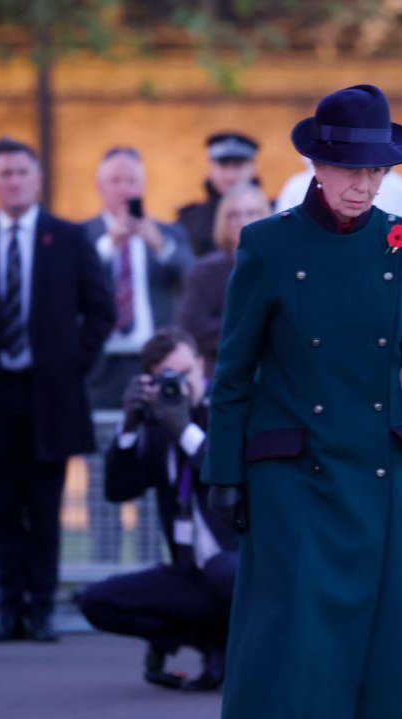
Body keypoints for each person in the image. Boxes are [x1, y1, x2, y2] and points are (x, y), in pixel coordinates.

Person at [203, 84, 402, 719]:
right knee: (299, 633)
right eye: (350, 169)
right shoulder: (268, 243)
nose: (363, 184)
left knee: (370, 631)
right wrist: (225, 470)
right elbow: (234, 369)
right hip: (293, 471)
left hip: (379, 468)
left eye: (376, 171)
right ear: (317, 165)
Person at [0, 137, 115, 644]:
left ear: (38, 179)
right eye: (5, 173)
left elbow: (101, 309)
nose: (14, 181)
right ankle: (9, 610)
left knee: (45, 509)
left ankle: (42, 610)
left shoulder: (67, 237)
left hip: (50, 395)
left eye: (23, 172)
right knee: (2, 507)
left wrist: (73, 365)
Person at [78, 329, 238, 691]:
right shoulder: (159, 424)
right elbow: (118, 490)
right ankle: (205, 641)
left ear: (201, 365)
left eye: (183, 374)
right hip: (191, 574)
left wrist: (182, 427)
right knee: (96, 601)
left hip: (240, 566)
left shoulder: (228, 411)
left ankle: (236, 650)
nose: (177, 386)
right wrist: (129, 428)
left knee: (226, 573)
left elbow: (223, 472)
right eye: (166, 378)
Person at [82, 146, 195, 563]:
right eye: (116, 180)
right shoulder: (84, 236)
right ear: (100, 187)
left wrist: (157, 243)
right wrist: (108, 247)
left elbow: (190, 275)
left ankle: (151, 564)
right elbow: (72, 287)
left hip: (154, 365)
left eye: (131, 181)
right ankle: (104, 566)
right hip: (103, 370)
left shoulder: (169, 233)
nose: (124, 189)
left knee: (155, 465)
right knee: (103, 472)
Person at [178, 183, 272, 371]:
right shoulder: (203, 272)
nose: (242, 221)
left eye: (252, 213)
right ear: (223, 221)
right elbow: (194, 326)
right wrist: (251, 330)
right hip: (221, 369)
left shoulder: (285, 266)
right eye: (233, 215)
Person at [177, 132, 259, 257]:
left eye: (238, 166)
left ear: (253, 168)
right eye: (223, 166)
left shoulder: (276, 212)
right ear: (210, 167)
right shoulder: (190, 219)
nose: (230, 175)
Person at [275, 156, 402, 221]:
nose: (363, 187)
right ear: (318, 168)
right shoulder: (296, 186)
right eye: (349, 169)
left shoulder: (398, 186)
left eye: (375, 170)